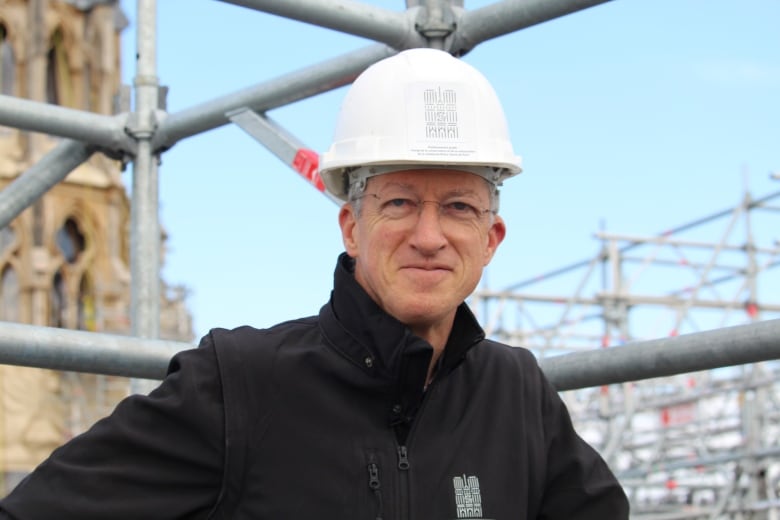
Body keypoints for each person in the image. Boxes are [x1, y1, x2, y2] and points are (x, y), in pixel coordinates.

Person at [0, 48, 629, 519]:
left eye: (460, 207)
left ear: (491, 240)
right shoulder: (239, 384)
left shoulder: (516, 394)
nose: (430, 236)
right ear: (351, 227)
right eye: (400, 203)